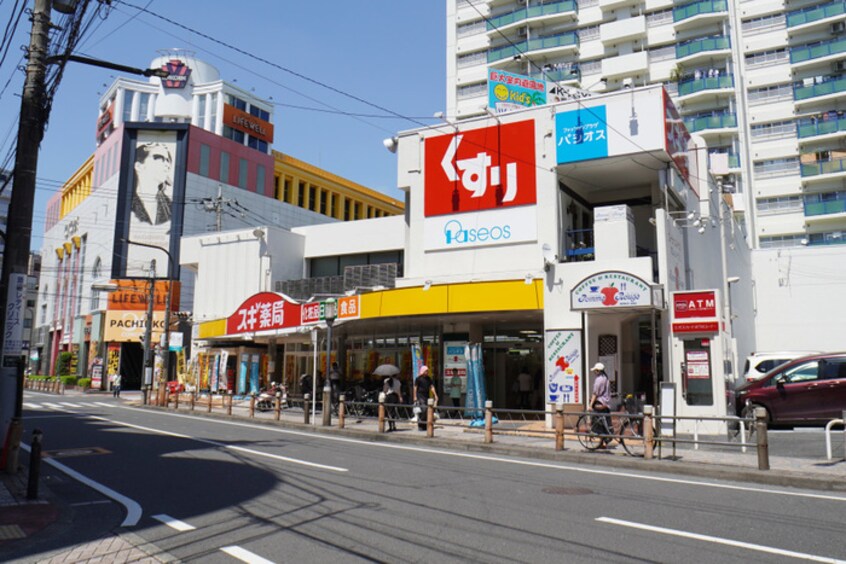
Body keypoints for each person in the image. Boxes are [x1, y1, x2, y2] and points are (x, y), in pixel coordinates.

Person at [132, 142, 173, 227]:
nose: (167, 164)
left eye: (167, 160)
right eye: (159, 158)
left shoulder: (170, 207)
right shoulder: (126, 202)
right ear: (139, 166)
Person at [589, 362, 612, 448]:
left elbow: (595, 393)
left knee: (597, 422)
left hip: (600, 402)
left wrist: (590, 405)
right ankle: (604, 442)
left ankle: (599, 437)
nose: (594, 372)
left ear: (598, 371)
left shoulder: (599, 380)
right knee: (604, 422)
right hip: (606, 403)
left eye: (595, 370)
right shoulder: (606, 378)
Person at [413, 365, 438, 431]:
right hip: (420, 396)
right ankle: (420, 424)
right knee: (424, 409)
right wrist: (415, 396)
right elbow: (415, 388)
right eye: (426, 371)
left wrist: (435, 395)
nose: (427, 372)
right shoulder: (418, 379)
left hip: (426, 396)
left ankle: (424, 425)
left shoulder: (428, 379)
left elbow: (432, 387)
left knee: (428, 410)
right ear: (423, 371)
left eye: (427, 371)